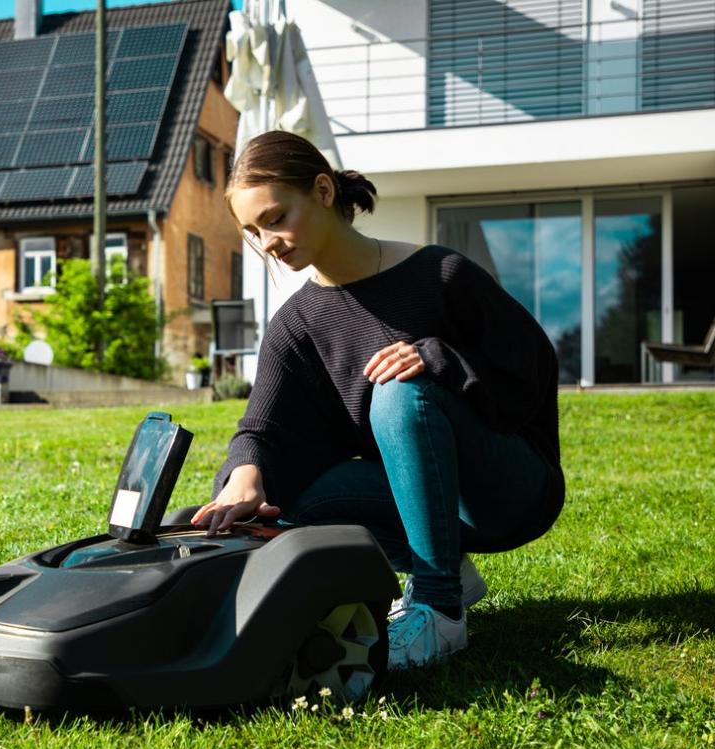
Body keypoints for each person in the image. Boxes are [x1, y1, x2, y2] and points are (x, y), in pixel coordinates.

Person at [190, 131, 565, 670]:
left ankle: (440, 609)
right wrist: (246, 473)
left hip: (510, 491)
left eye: (274, 218)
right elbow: (261, 428)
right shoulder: (296, 325)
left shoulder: (442, 274)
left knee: (397, 393)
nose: (267, 242)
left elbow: (529, 369)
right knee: (289, 499)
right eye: (253, 231)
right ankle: (447, 566)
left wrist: (437, 359)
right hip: (428, 503)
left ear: (322, 191)